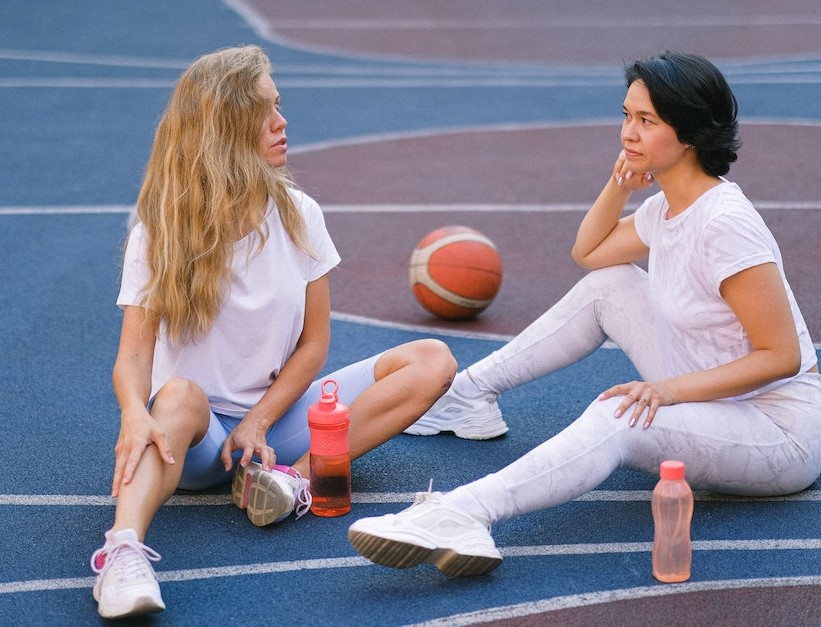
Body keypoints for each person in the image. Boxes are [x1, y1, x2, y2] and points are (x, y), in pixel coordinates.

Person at [348, 51, 821, 577]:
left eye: (647, 121)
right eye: (627, 115)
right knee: (610, 285)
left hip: (779, 431)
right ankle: (468, 396)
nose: (628, 133)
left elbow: (782, 356)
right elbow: (590, 255)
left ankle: (464, 512)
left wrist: (666, 392)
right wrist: (620, 184)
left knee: (616, 415)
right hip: (717, 393)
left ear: (689, 133)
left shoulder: (725, 224)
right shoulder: (665, 208)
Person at [89, 45, 456, 619]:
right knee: (179, 393)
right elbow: (133, 356)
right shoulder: (161, 231)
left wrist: (260, 419)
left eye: (279, 105)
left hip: (274, 425)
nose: (282, 122)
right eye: (265, 111)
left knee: (432, 360)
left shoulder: (299, 213)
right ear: (227, 130)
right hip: (195, 437)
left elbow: (314, 345)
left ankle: (291, 484)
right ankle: (122, 555)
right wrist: (135, 412)